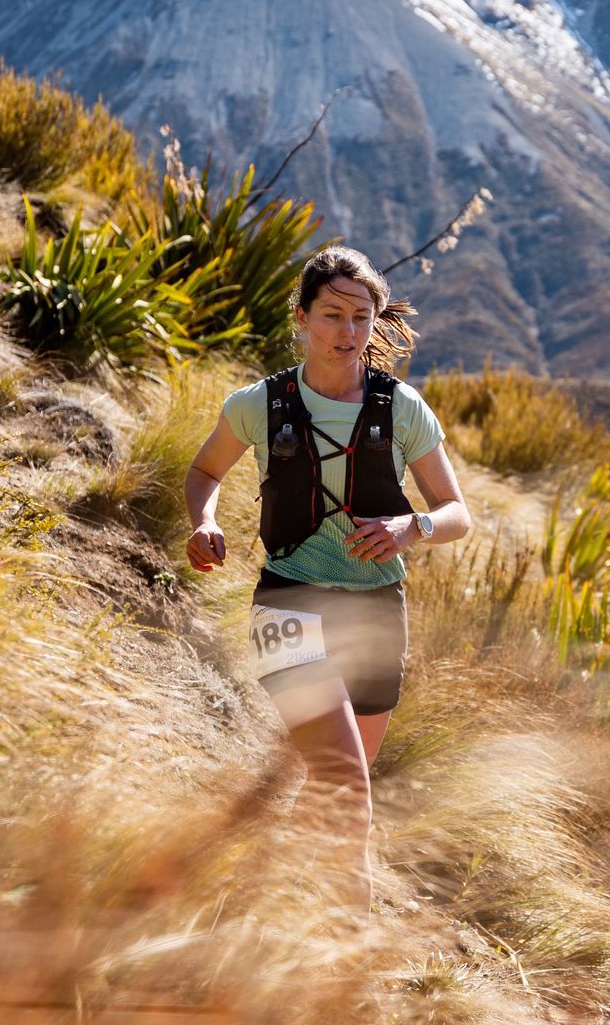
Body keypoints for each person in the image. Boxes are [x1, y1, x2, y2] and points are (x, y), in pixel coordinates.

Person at [182, 245, 470, 911]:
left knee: (341, 781)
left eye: (361, 317)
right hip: (287, 602)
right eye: (332, 315)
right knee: (345, 781)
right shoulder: (259, 403)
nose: (348, 332)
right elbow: (205, 473)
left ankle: (270, 889)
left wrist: (411, 529)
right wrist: (204, 521)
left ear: (376, 323)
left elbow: (456, 513)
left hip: (377, 611)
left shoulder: (402, 409)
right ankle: (350, 953)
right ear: (302, 317)